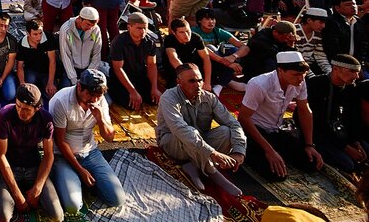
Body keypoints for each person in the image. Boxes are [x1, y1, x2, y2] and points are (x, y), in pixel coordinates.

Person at [156, 63, 246, 196]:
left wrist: (239, 151)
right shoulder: (169, 97)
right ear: (178, 82)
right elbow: (179, 129)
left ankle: (191, 166)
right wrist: (213, 153)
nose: (198, 85)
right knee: (189, 133)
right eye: (192, 81)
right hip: (173, 142)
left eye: (200, 80)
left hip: (199, 140)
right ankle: (211, 171)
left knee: (226, 132)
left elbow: (233, 123)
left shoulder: (209, 97)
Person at [238, 51, 324, 182]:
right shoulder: (259, 84)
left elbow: (304, 111)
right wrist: (269, 150)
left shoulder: (300, 81)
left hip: (276, 130)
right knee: (277, 175)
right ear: (280, 71)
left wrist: (309, 145)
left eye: (303, 74)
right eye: (296, 74)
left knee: (312, 164)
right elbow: (243, 118)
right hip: (254, 131)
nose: (300, 79)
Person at [51, 69, 125, 211]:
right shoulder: (61, 101)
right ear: (79, 87)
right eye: (90, 95)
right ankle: (66, 177)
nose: (95, 100)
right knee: (73, 206)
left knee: (117, 199)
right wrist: (80, 170)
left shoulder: (100, 101)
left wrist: (100, 119)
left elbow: (109, 138)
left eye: (98, 96)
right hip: (64, 156)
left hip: (90, 152)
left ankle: (81, 182)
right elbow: (60, 141)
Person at [0, 83, 63, 222]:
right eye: (18, 106)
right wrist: (17, 195)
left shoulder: (46, 119)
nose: (20, 112)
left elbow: (49, 155)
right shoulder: (5, 115)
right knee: (3, 217)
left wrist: (37, 188)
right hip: (10, 166)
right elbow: (0, 155)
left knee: (57, 216)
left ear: (37, 108)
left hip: (34, 166)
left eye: (26, 109)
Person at [305, 54, 365, 173]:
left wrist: (355, 142)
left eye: (357, 72)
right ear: (336, 69)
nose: (356, 76)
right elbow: (318, 122)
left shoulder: (349, 88)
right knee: (348, 164)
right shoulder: (318, 84)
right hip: (319, 135)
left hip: (340, 135)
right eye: (352, 71)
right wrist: (346, 148)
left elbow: (351, 117)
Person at [108, 11, 160, 110]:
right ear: (129, 27)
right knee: (131, 104)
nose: (143, 31)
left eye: (145, 28)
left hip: (140, 76)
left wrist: (154, 88)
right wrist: (132, 92)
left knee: (154, 100)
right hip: (122, 78)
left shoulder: (150, 43)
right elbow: (118, 69)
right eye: (139, 28)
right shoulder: (119, 42)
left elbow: (151, 65)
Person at [16, 18, 61, 104]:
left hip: (46, 71)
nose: (39, 37)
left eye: (40, 33)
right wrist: (22, 83)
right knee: (28, 94)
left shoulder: (49, 38)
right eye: (35, 34)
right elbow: (20, 66)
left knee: (52, 95)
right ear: (28, 33)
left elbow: (52, 61)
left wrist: (51, 82)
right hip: (31, 71)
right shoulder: (22, 44)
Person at [57, 7, 105, 86]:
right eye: (88, 24)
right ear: (80, 19)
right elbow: (65, 56)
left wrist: (89, 75)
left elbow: (97, 54)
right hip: (71, 69)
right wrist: (74, 80)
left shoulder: (96, 29)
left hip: (89, 68)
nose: (90, 28)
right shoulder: (66, 29)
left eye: (93, 25)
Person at [322, 0, 368, 72]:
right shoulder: (331, 22)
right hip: (338, 65)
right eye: (348, 5)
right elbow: (332, 48)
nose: (353, 6)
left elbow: (363, 43)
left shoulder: (358, 21)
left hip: (355, 64)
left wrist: (359, 63)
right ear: (337, 8)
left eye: (354, 4)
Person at [295, 7, 330, 75]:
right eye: (321, 22)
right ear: (309, 20)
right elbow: (297, 58)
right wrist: (312, 77)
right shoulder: (295, 31)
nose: (323, 26)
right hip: (297, 66)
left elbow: (320, 57)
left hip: (309, 66)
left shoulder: (318, 34)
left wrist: (329, 72)